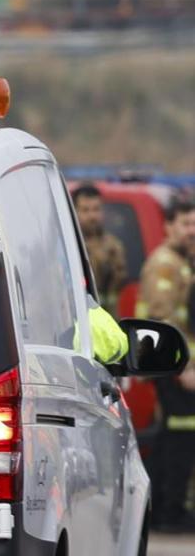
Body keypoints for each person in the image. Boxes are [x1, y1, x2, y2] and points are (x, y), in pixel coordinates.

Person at [142, 199, 195, 531]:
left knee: (174, 438)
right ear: (169, 226)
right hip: (173, 368)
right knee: (177, 438)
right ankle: (168, 512)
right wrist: (184, 368)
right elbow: (165, 320)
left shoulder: (181, 262)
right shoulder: (164, 264)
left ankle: (169, 508)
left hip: (177, 367)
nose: (191, 231)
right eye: (186, 224)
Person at [74, 184, 128, 314]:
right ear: (74, 211)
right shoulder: (70, 248)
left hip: (108, 321)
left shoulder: (114, 246)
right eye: (85, 210)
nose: (92, 216)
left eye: (96, 209)